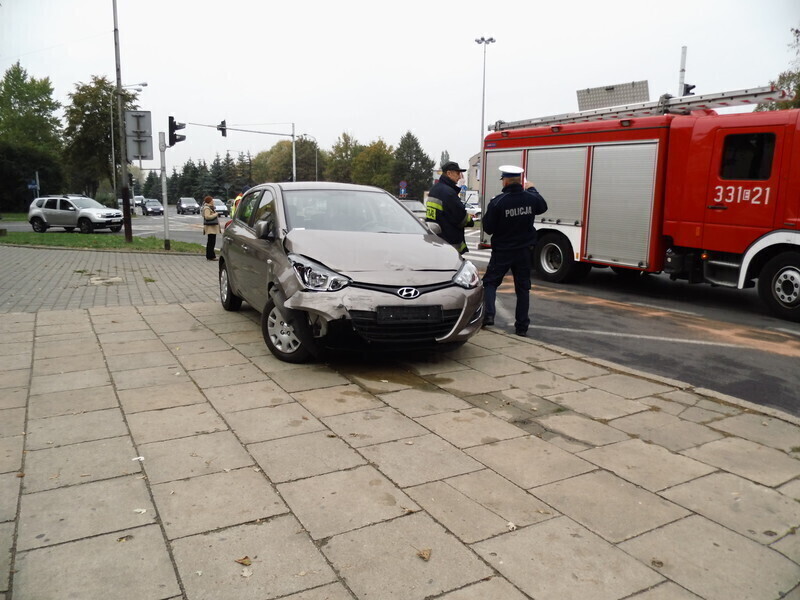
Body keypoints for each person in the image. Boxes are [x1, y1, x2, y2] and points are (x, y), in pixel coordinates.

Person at [482, 165, 548, 336]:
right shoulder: (531, 198)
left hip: (503, 251)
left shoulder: (498, 202)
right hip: (524, 251)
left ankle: (488, 315)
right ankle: (522, 327)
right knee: (523, 288)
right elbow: (543, 207)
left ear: (505, 181)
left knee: (490, 283)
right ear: (520, 181)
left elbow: (488, 228)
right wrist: (532, 188)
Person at [426, 161, 474, 254]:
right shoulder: (449, 193)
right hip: (450, 244)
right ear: (449, 173)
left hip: (437, 240)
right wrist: (470, 220)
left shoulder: (434, 190)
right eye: (457, 173)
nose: (460, 177)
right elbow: (461, 217)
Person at [202, 195, 221, 261]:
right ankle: (211, 256)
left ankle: (210, 255)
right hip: (210, 227)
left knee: (211, 242)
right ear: (209, 201)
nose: (213, 201)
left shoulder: (210, 207)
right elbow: (207, 217)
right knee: (211, 242)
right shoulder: (207, 208)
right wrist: (215, 214)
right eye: (212, 200)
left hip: (212, 227)